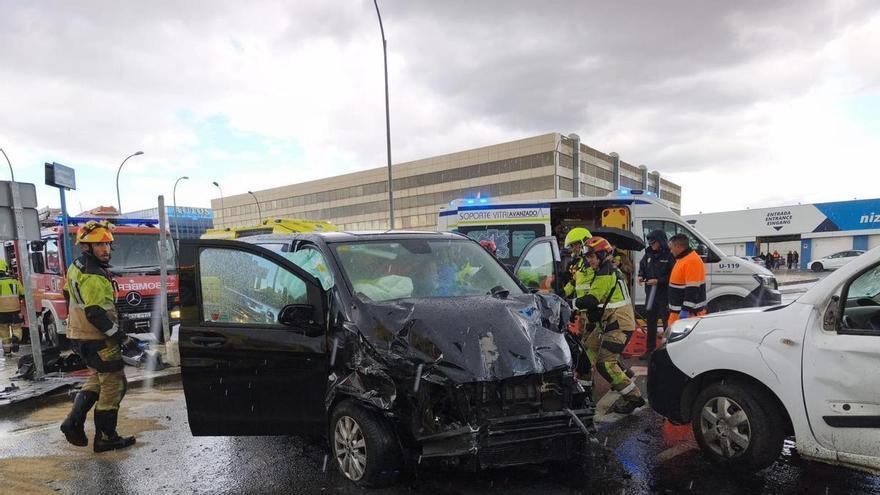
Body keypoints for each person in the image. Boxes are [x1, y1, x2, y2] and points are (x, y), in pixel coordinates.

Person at [60, 220, 136, 452]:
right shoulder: (93, 275)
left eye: (107, 244)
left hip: (80, 335)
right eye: (99, 245)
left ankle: (73, 421)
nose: (105, 249)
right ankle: (106, 437)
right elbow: (95, 313)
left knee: (100, 376)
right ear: (87, 247)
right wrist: (121, 337)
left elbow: (67, 293)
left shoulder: (76, 266)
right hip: (98, 338)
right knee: (114, 384)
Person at [572, 236, 645, 415]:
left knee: (605, 364)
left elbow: (592, 299)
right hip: (607, 323)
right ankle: (585, 396)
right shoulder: (602, 270)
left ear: (602, 255)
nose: (589, 260)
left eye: (592, 256)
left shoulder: (606, 272)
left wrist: (570, 304)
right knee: (585, 357)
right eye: (587, 257)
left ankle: (634, 398)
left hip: (619, 325)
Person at [637, 230, 674, 360]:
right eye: (650, 242)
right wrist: (640, 275)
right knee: (651, 322)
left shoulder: (669, 255)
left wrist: (658, 281)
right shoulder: (648, 253)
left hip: (664, 294)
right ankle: (650, 350)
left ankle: (668, 352)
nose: (651, 245)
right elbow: (642, 266)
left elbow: (673, 275)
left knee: (666, 323)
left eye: (654, 242)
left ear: (660, 241)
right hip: (651, 293)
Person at [668, 234, 707, 326]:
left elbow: (692, 289)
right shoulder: (683, 259)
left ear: (678, 247)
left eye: (672, 248)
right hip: (679, 313)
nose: (671, 251)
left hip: (689, 315)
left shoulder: (691, 261)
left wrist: (686, 310)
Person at [0, 260, 25, 355]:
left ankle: (7, 352)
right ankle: (16, 337)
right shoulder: (15, 280)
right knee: (17, 328)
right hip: (15, 310)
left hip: (1, 312)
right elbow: (22, 294)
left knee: (4, 333)